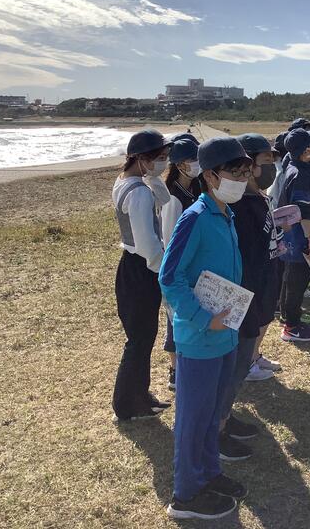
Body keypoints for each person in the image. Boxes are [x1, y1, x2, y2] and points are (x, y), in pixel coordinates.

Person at [160, 136, 252, 520]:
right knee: (193, 418)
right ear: (211, 176)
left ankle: (209, 473)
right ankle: (185, 495)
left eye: (246, 172)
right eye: (235, 173)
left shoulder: (225, 214)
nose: (242, 180)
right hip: (199, 338)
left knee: (212, 413)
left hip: (225, 334)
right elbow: (169, 276)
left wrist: (226, 322)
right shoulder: (195, 217)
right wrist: (202, 319)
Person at [214, 133, 283, 459]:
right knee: (233, 365)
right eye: (266, 161)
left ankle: (225, 417)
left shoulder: (259, 199)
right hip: (242, 299)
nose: (271, 167)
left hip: (257, 296)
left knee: (240, 365)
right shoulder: (238, 205)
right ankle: (216, 430)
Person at [111, 129, 173, 421]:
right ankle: (126, 405)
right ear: (141, 158)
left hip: (134, 265)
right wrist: (164, 272)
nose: (163, 162)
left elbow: (165, 198)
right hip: (142, 267)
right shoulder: (138, 193)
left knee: (143, 336)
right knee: (139, 339)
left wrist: (154, 177)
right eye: (159, 157)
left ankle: (139, 394)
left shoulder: (127, 182)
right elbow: (148, 243)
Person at [161, 138, 202, 391]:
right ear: (179, 165)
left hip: (196, 264)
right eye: (192, 160)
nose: (196, 164)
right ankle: (175, 370)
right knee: (175, 319)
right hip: (180, 268)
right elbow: (169, 240)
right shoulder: (172, 198)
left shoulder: (195, 188)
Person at [278, 128, 310, 342]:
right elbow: (303, 212)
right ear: (304, 150)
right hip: (300, 239)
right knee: (298, 282)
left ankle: (287, 317)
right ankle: (292, 327)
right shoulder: (300, 175)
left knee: (290, 278)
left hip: (293, 239)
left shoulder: (295, 168)